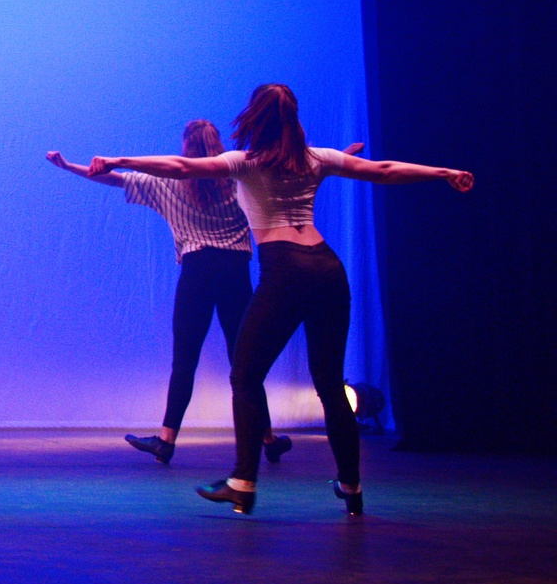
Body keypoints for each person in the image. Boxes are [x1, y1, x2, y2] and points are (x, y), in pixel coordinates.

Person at [88, 84, 472, 517]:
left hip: (286, 270)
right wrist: (443, 172)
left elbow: (179, 166)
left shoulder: (244, 163)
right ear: (293, 119)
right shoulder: (316, 159)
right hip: (328, 268)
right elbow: (382, 170)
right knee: (330, 384)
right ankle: (351, 487)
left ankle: (243, 482)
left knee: (245, 375)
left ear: (254, 118)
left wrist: (119, 160)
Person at [47, 123, 359, 466]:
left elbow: (117, 180)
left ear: (186, 148)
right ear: (217, 145)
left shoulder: (170, 184)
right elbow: (288, 181)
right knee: (246, 364)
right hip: (234, 273)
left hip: (197, 272)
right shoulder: (240, 180)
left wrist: (69, 167)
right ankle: (268, 440)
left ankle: (167, 440)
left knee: (185, 359)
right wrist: (335, 160)